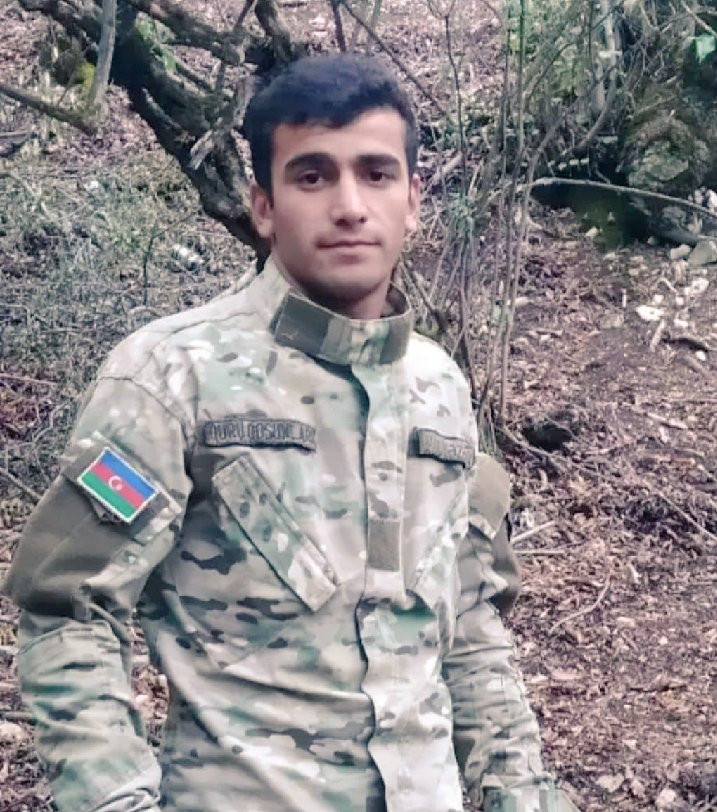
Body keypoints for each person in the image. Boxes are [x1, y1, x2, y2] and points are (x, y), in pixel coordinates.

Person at [4, 54, 578, 812]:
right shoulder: (173, 374)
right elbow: (68, 609)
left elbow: (468, 623)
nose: (350, 206)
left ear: (413, 200)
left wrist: (521, 792)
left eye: (376, 173)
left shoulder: (440, 387)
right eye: (312, 176)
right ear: (264, 206)